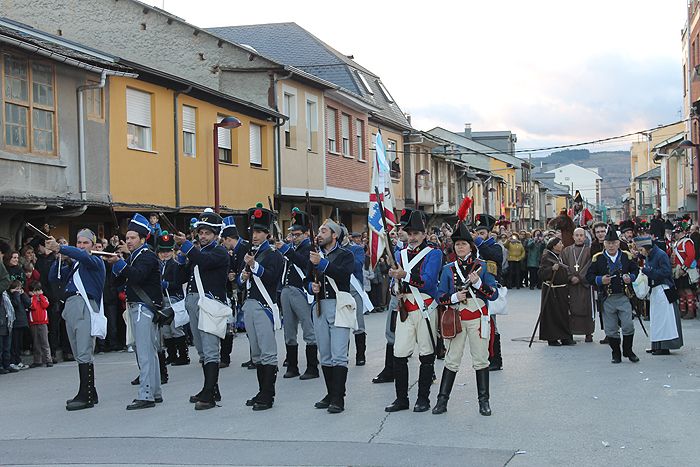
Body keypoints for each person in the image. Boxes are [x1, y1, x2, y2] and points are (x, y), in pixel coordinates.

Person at [433, 203, 498, 416]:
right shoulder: (447, 269)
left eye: (463, 244)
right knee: (452, 359)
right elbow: (439, 296)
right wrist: (453, 297)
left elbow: (493, 294)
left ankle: (484, 402)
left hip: (478, 317)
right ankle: (442, 402)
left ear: (471, 246)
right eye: (457, 244)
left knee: (480, 359)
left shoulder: (482, 266)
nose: (460, 247)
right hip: (457, 317)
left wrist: (478, 284)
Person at [385, 210, 442, 413]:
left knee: (426, 354)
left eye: (417, 233)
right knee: (399, 354)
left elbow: (427, 282)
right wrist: (395, 288)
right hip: (405, 309)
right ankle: (401, 399)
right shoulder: (400, 254)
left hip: (424, 307)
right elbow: (395, 283)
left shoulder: (434, 253)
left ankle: (423, 399)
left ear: (424, 233)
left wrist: (404, 275)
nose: (413, 237)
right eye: (410, 233)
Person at [173, 209, 229, 410]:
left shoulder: (219, 252)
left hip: (210, 305)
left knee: (211, 350)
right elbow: (178, 280)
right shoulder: (196, 253)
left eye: (207, 233)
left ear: (215, 234)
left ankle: (209, 395)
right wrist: (180, 260)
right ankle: (211, 388)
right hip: (195, 305)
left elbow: (205, 262)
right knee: (202, 350)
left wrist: (187, 247)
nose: (203, 236)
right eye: (201, 232)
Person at [107, 214, 163, 410]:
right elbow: (120, 281)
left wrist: (120, 264)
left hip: (143, 308)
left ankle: (146, 394)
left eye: (132, 238)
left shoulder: (146, 256)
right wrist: (117, 265)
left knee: (145, 353)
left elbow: (137, 276)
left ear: (142, 238)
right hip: (139, 307)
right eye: (127, 237)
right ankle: (154, 391)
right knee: (148, 351)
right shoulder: (136, 256)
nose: (128, 241)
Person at [46, 229, 106, 411]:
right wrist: (59, 257)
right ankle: (90, 391)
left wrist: (62, 248)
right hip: (72, 307)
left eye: (85, 243)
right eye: (79, 242)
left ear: (93, 245)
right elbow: (52, 278)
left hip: (84, 306)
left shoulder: (95, 262)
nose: (81, 246)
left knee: (84, 350)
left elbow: (83, 256)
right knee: (78, 350)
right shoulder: (74, 267)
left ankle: (85, 395)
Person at [238, 204, 284, 411]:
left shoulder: (273, 255)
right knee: (256, 353)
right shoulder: (249, 253)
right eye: (253, 231)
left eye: (259, 232)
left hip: (264, 306)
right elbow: (241, 282)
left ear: (267, 234)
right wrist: (244, 275)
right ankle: (261, 390)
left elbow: (273, 278)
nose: (255, 236)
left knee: (267, 353)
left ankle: (268, 394)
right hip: (249, 306)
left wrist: (254, 267)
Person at [307, 218, 354, 414]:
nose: (320, 234)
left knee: (339, 355)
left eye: (324, 231)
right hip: (319, 306)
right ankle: (330, 393)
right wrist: (311, 286)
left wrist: (323, 264)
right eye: (319, 230)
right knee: (325, 354)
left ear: (334, 235)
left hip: (338, 305)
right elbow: (306, 279)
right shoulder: (314, 255)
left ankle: (338, 398)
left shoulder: (345, 255)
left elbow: (344, 275)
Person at [275, 208, 318, 380]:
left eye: (298, 234)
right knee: (289, 330)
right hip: (286, 290)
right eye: (293, 234)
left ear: (307, 234)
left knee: (308, 329)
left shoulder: (309, 248)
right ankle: (292, 366)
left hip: (300, 291)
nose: (294, 238)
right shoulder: (292, 248)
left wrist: (288, 251)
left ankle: (312, 367)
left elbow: (305, 264)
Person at [586, 227, 640, 364]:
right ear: (604, 244)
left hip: (623, 296)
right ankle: (616, 353)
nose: (611, 246)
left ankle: (628, 350)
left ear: (618, 243)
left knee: (628, 325)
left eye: (613, 243)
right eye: (608, 243)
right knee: (611, 329)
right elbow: (589, 276)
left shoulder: (626, 256)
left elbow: (635, 270)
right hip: (607, 298)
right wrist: (600, 280)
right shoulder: (598, 259)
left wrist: (631, 277)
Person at [636, 236, 683, 355]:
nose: (641, 253)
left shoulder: (660, 255)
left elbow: (666, 272)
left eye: (641, 250)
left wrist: (647, 271)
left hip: (664, 290)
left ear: (647, 248)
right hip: (656, 290)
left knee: (665, 320)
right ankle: (656, 344)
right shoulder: (650, 254)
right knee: (657, 319)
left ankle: (664, 346)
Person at [473, 214, 505, 372]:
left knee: (492, 325)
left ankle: (496, 359)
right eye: (477, 233)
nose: (479, 236)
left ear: (489, 233)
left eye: (482, 233)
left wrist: (478, 243)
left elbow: (494, 257)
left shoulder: (496, 247)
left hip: (489, 290)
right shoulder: (474, 249)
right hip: (475, 290)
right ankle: (484, 356)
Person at [219, 216, 247, 368]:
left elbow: (243, 269)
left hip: (242, 291)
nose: (223, 244)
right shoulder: (234, 251)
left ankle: (256, 358)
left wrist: (235, 276)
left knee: (246, 327)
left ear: (228, 239)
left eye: (223, 240)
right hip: (234, 291)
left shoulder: (243, 248)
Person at [158, 231, 189, 367]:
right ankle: (171, 355)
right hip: (162, 299)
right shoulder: (158, 265)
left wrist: (167, 284)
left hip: (174, 299)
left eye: (168, 251)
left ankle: (183, 355)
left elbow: (178, 282)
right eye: (162, 251)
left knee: (176, 328)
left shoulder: (175, 265)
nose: (165, 254)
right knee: (165, 330)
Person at [538, 238, 576, 346]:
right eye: (560, 243)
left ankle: (565, 337)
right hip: (552, 290)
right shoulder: (547, 257)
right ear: (554, 246)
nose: (562, 244)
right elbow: (541, 273)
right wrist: (551, 270)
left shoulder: (560, 256)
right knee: (552, 314)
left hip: (561, 289)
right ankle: (552, 338)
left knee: (563, 314)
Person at [341, 225, 369, 366]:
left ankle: (360, 355)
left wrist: (343, 253)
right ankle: (342, 354)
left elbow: (357, 265)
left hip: (354, 289)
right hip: (340, 291)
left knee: (358, 324)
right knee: (342, 324)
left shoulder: (356, 249)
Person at [561, 228, 595, 342]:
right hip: (571, 286)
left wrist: (580, 277)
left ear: (585, 237)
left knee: (587, 309)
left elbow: (590, 265)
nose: (579, 237)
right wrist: (570, 277)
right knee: (571, 308)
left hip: (584, 285)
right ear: (573, 237)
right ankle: (570, 332)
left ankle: (588, 333)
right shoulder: (566, 251)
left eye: (581, 235)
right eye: (577, 235)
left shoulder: (589, 251)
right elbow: (564, 265)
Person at [670, 220, 696, 320]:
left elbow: (690, 256)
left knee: (687, 290)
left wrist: (684, 268)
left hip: (685, 270)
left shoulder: (687, 242)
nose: (674, 235)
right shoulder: (677, 243)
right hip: (677, 270)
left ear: (680, 232)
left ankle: (690, 311)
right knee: (680, 291)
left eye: (675, 233)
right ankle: (682, 310)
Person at [28, 282, 52, 367]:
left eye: (38, 290)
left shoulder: (44, 298)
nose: (37, 292)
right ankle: (37, 360)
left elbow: (45, 305)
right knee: (36, 342)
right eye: (35, 291)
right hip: (34, 322)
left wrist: (41, 297)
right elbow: (33, 307)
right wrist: (34, 297)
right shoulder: (31, 299)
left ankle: (48, 360)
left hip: (43, 322)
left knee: (45, 342)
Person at [7, 280, 29, 370]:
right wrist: (16, 294)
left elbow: (28, 303)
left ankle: (18, 361)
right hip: (15, 323)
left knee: (19, 343)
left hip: (22, 322)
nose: (19, 290)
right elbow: (15, 304)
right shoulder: (11, 296)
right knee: (14, 344)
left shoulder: (21, 295)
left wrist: (23, 294)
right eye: (17, 289)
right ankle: (13, 361)